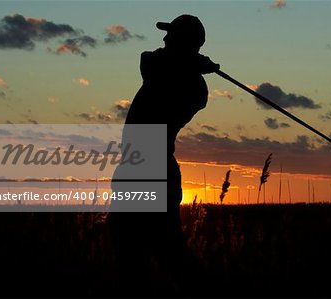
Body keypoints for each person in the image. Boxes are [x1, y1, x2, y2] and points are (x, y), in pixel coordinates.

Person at [108, 15, 219, 296]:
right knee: (130, 252)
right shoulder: (169, 68)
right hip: (136, 170)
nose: (165, 39)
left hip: (151, 171)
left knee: (165, 251)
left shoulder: (193, 87)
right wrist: (193, 61)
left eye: (171, 35)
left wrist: (191, 64)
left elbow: (157, 65)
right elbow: (149, 58)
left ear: (182, 42)